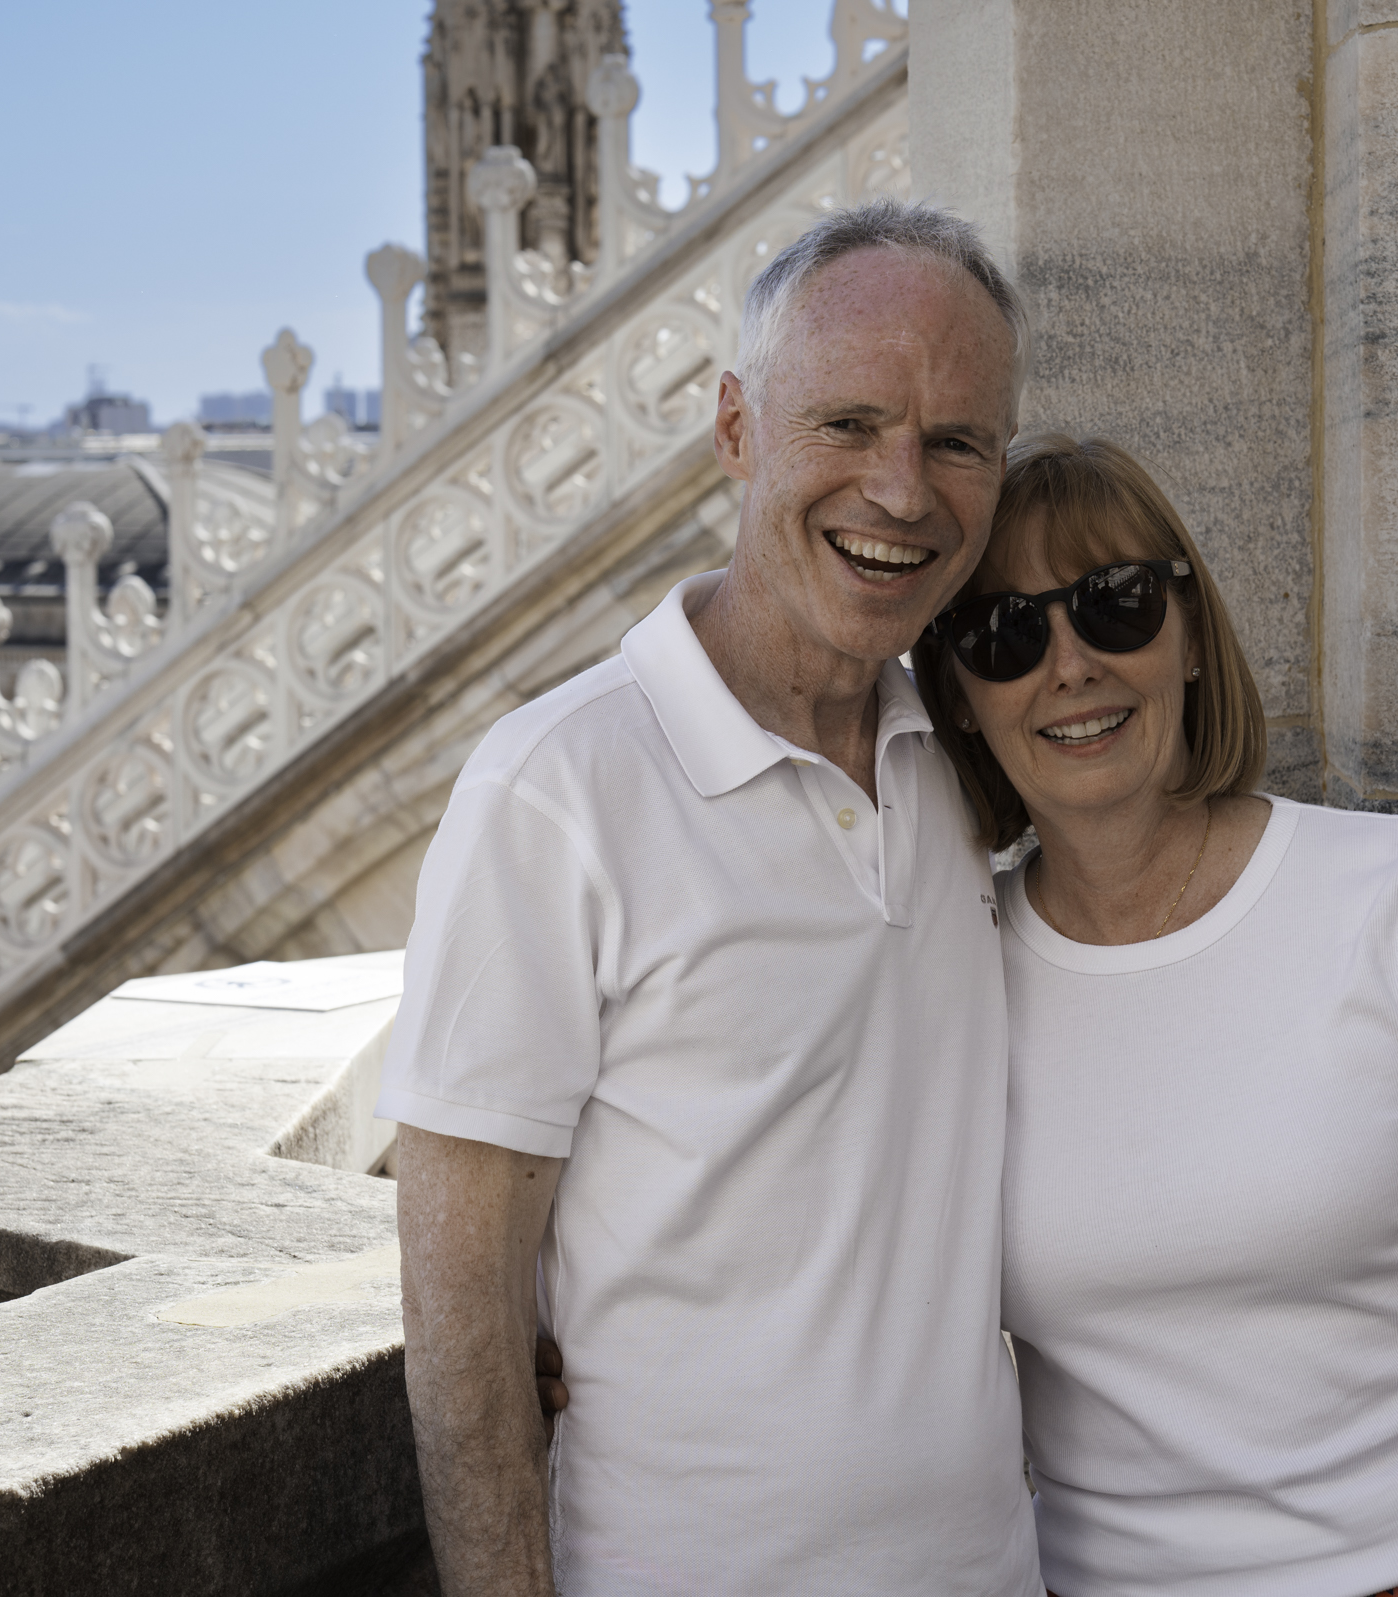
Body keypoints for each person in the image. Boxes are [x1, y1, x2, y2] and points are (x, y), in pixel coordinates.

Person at [378, 200, 1044, 1596]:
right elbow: (463, 1303)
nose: (903, 492)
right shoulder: (555, 787)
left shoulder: (977, 761)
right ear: (736, 428)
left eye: (956, 442)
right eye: (848, 424)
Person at [913, 434, 1398, 1597]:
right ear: (959, 700)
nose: (1068, 665)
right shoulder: (949, 976)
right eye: (1005, 633)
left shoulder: (1395, 891)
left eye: (1115, 606)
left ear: (1192, 637)